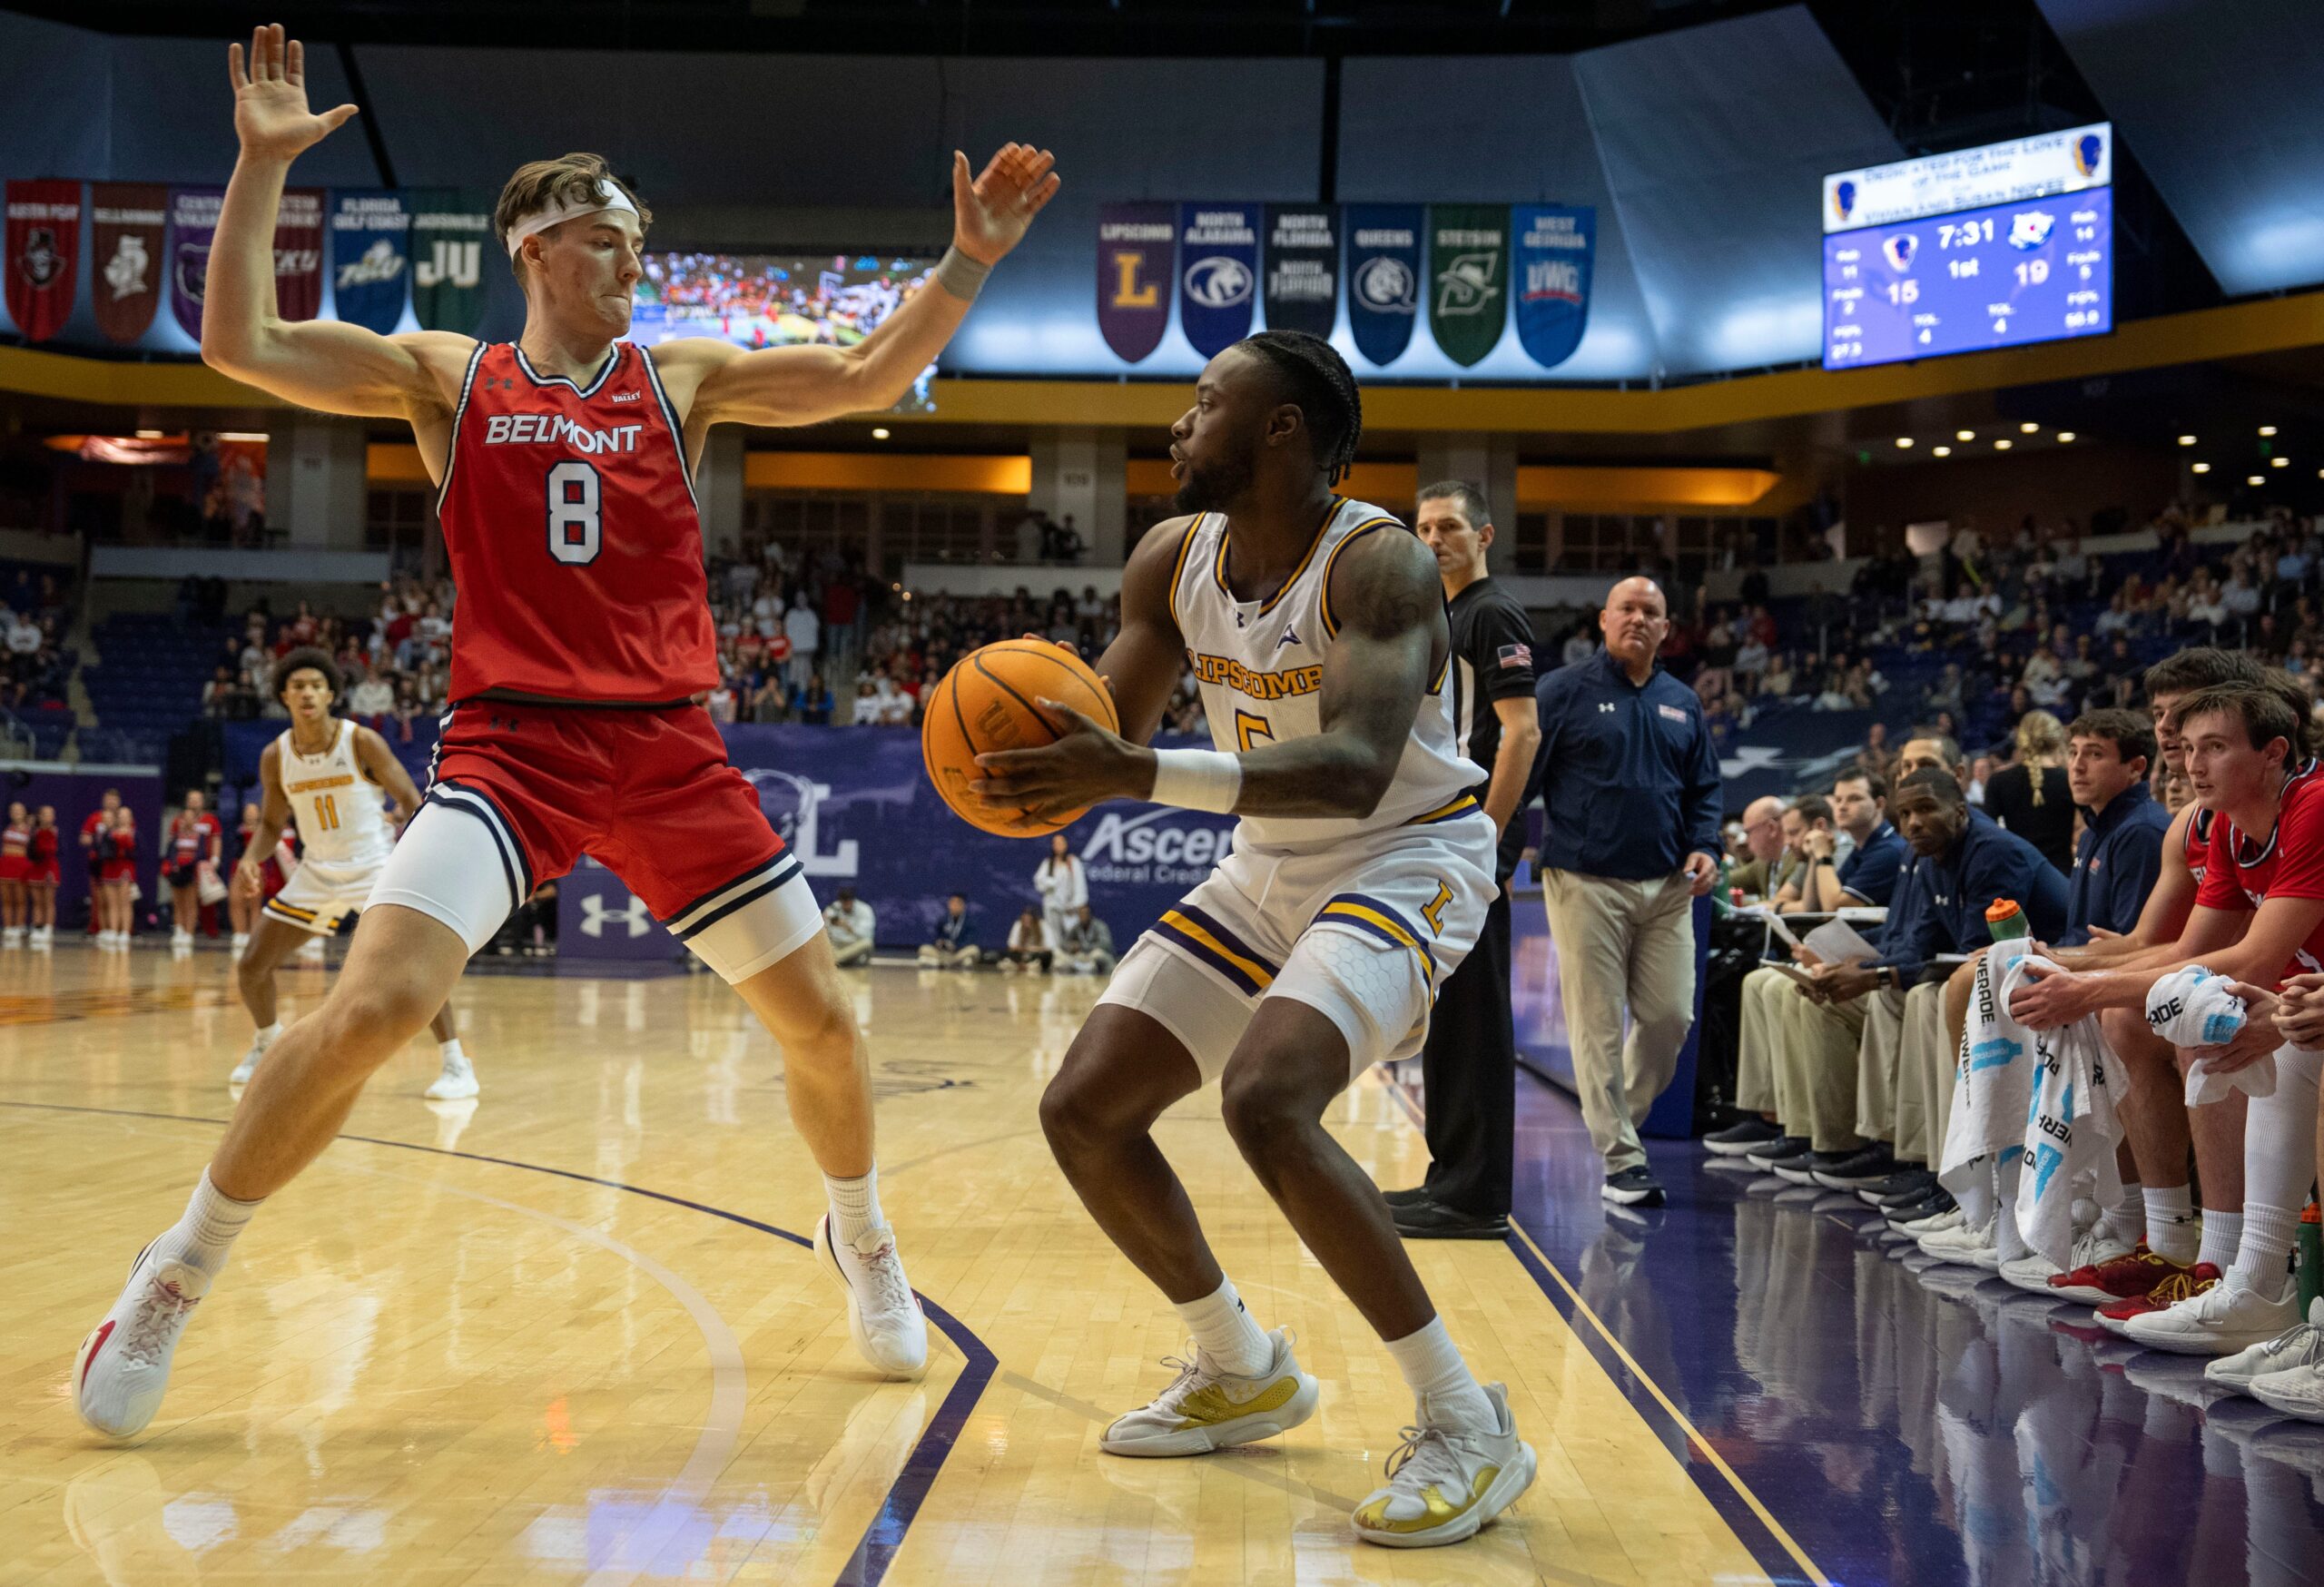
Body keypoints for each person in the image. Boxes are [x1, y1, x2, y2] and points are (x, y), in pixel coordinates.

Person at [73, 25, 1057, 1438]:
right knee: (374, 1006)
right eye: (610, 245)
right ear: (537, 247)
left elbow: (855, 373)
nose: (635, 269)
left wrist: (969, 261)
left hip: (668, 753)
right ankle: (174, 1273)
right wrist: (260, 167)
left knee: (828, 1032)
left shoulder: (686, 379)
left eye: (637, 247)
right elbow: (244, 342)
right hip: (509, 750)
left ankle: (860, 1234)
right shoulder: (451, 378)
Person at [974, 329, 1533, 1548]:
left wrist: (1133, 769)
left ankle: (1466, 1420)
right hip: (1264, 866)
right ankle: (1243, 1366)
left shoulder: (1381, 566)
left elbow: (1349, 771)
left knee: (1268, 1097)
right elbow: (1108, 730)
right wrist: (1018, 758)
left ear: (1283, 428)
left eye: (1204, 400)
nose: (1180, 421)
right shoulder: (1174, 555)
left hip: (1404, 855)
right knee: (1084, 1107)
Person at [2007, 680, 2321, 1353]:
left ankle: (2241, 1269)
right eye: (2183, 743)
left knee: (2258, 1031)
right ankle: (2232, 1273)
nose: (2190, 761)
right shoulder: (2231, 827)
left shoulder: (2311, 806)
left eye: (2213, 746)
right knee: (2221, 1022)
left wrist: (2088, 988)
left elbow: (2256, 959)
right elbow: (2197, 952)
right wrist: (2083, 976)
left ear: (2273, 752)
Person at [1530, 577, 1722, 1208]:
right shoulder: (1562, 691)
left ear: (1667, 629)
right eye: (1627, 609)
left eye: (1651, 612)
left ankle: (1620, 1128)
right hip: (1585, 880)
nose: (1638, 619)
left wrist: (1708, 845)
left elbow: (1704, 790)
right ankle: (1620, 1158)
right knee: (1598, 1029)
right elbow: (1523, 774)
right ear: (1603, 619)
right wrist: (1496, 855)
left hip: (1667, 886)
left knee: (1671, 1018)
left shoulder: (1682, 702)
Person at [1388, 480, 1540, 1240]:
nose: (1434, 539)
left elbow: (1523, 733)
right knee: (1448, 1020)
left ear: (1483, 536)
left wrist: (1487, 838)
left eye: (1449, 526)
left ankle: (1477, 1197)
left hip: (1468, 848)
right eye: (1422, 528)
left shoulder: (1492, 613)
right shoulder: (1439, 617)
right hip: (1440, 842)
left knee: (1476, 1023)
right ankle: (1450, 1178)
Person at [226, 648, 477, 1102]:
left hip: (373, 868)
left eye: (317, 686)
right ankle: (267, 1044)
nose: (307, 693)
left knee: (414, 971)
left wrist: (409, 846)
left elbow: (409, 797)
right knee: (252, 966)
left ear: (330, 695)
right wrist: (250, 858)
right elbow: (270, 824)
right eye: (298, 685)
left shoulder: (360, 742)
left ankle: (457, 1063)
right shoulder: (275, 755)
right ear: (284, 694)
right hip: (317, 873)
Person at [1983, 710, 2075, 876]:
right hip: (2061, 876)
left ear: (2021, 738)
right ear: (2058, 740)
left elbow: (1986, 833)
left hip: (2016, 874)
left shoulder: (1999, 781)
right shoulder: (2070, 780)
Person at [165, 791, 223, 951]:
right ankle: (180, 930)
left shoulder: (211, 820)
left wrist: (215, 858)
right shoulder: (177, 821)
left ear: (202, 801)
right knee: (179, 901)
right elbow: (170, 846)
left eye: (197, 799)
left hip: (201, 866)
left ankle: (205, 930)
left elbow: (216, 840)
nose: (194, 802)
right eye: (191, 799)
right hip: (180, 869)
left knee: (204, 900)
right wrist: (171, 865)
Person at [82, 789, 134, 949]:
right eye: (108, 799)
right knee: (104, 900)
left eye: (114, 799)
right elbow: (85, 838)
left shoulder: (125, 825)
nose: (111, 802)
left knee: (123, 901)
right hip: (102, 864)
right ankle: (106, 929)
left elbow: (134, 846)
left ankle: (124, 931)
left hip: (122, 865)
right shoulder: (95, 819)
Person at [1031, 831, 1088, 954]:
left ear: (1066, 845)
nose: (1059, 846)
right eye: (1056, 843)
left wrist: (1075, 905)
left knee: (1072, 933)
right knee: (1053, 935)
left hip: (1069, 907)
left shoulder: (1072, 862)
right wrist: (1050, 883)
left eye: (1061, 843)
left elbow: (1080, 885)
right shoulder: (1048, 863)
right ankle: (1058, 959)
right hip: (1052, 905)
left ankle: (1075, 959)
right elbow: (1038, 882)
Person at [1725, 795, 1787, 901]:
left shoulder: (1801, 859)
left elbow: (1782, 904)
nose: (1747, 840)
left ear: (1771, 828)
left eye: (1748, 832)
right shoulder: (1764, 863)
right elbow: (1729, 879)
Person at [25, 805, 56, 951]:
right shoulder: (34, 832)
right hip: (37, 866)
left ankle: (48, 928)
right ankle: (37, 926)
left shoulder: (56, 832)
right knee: (37, 900)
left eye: (50, 814)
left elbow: (59, 850)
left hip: (50, 867)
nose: (47, 817)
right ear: (40, 816)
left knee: (48, 900)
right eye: (44, 814)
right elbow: (30, 850)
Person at [918, 892, 978, 968]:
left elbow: (970, 940)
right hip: (943, 953)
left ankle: (940, 963)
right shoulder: (943, 919)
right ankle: (951, 963)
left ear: (963, 906)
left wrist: (955, 946)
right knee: (924, 948)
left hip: (958, 953)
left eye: (957, 903)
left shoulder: (969, 921)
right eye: (952, 903)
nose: (954, 906)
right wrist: (939, 943)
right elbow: (936, 936)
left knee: (974, 950)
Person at [1056, 903, 1116, 975]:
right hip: (1081, 957)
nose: (1083, 916)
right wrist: (1071, 946)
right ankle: (1081, 968)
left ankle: (1091, 968)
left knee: (1097, 953)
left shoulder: (1100, 926)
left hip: (1094, 956)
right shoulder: (1076, 927)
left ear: (1090, 915)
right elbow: (1064, 943)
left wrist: (1082, 947)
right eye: (1081, 914)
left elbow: (1105, 944)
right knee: (1058, 953)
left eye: (1085, 914)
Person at [822, 884, 874, 967]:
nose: (846, 904)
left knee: (867, 943)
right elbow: (824, 932)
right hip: (838, 945)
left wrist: (847, 927)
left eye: (848, 901)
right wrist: (823, 921)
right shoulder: (834, 908)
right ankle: (839, 959)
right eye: (843, 902)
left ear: (853, 900)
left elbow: (866, 935)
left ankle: (836, 959)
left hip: (853, 946)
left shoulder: (865, 910)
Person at [0, 801, 28, 950]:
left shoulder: (29, 830)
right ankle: (8, 926)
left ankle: (19, 925)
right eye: (14, 810)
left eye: (19, 810)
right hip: (5, 866)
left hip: (21, 867)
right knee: (6, 899)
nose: (16, 812)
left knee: (20, 899)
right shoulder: (7, 828)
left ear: (24, 813)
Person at [1002, 904, 1053, 973]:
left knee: (1047, 955)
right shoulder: (1018, 925)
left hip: (1037, 955)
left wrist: (1033, 949)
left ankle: (1027, 966)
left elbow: (1049, 947)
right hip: (1023, 954)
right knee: (1011, 953)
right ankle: (1024, 965)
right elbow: (1012, 946)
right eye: (1025, 918)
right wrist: (1026, 949)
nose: (1027, 920)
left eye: (1029, 918)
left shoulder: (1043, 925)